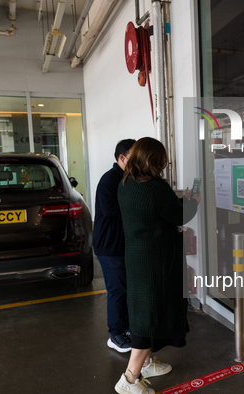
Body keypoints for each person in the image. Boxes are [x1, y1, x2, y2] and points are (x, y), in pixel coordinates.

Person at [114, 137, 200, 394]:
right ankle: (128, 380)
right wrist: (193, 200)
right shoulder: (155, 188)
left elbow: (154, 212)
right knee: (148, 318)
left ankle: (147, 365)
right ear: (156, 160)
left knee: (144, 312)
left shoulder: (125, 184)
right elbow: (180, 215)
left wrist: (178, 200)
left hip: (138, 259)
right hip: (156, 264)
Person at [93, 139, 136, 353]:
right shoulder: (110, 180)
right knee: (118, 290)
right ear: (122, 158)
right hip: (109, 246)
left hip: (122, 245)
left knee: (125, 289)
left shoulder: (128, 178)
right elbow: (110, 210)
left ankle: (125, 328)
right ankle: (115, 334)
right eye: (135, 158)